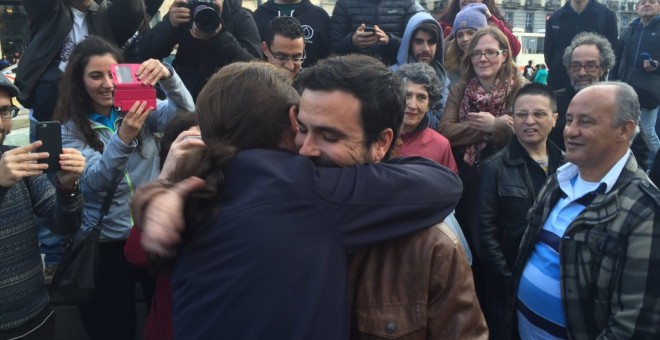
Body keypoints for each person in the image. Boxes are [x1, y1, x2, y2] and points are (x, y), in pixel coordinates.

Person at [133, 56, 462, 339]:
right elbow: (443, 184)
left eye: (328, 134)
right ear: (289, 124)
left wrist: (158, 191)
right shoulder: (300, 187)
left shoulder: (198, 185)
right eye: (304, 129)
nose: (306, 149)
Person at [53, 35, 194, 340]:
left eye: (112, 74)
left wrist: (169, 77)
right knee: (114, 328)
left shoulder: (138, 108)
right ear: (78, 81)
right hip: (106, 245)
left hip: (149, 232)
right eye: (95, 76)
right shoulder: (71, 131)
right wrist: (124, 137)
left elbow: (186, 114)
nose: (107, 83)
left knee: (163, 320)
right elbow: (94, 183)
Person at [510, 82, 660, 339]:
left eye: (586, 122)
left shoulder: (645, 209)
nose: (570, 131)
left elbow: (634, 326)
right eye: (569, 120)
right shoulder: (560, 178)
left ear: (625, 130)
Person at [14, 0, 145, 283]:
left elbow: (132, 11)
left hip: (88, 113)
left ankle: (78, 237)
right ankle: (54, 256)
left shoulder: (104, 16)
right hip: (48, 112)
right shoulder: (49, 11)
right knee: (47, 181)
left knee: (85, 176)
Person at [0, 73, 85, 339]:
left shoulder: (17, 161)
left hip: (35, 316)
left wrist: (67, 187)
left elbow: (64, 224)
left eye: (5, 111)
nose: (2, 123)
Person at [477, 83, 563, 339]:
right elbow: (484, 234)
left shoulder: (569, 167)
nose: (529, 121)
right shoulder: (493, 168)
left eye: (539, 114)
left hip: (561, 289)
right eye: (521, 114)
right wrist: (510, 281)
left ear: (554, 119)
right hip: (510, 291)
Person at [438, 26, 525, 252]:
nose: (482, 58)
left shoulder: (521, 88)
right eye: (476, 53)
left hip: (506, 178)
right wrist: (494, 126)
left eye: (490, 52)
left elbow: (524, 130)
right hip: (468, 177)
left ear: (504, 55)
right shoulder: (460, 89)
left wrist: (496, 124)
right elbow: (446, 130)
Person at [124, 112, 203, 340]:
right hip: (171, 323)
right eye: (189, 143)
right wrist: (166, 178)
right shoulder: (162, 196)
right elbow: (136, 254)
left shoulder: (225, 189)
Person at [550, 32, 649, 170]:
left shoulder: (620, 100)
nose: (582, 72)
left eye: (590, 66)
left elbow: (639, 152)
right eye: (576, 66)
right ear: (568, 69)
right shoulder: (551, 102)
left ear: (603, 68)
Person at [139, 0, 262, 99]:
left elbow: (255, 67)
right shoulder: (185, 14)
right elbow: (145, 51)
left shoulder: (240, 17)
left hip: (227, 100)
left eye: (211, 1)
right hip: (186, 98)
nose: (205, 6)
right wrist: (169, 24)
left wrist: (219, 36)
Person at [611, 0, 660, 168]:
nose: (647, 5)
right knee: (625, 129)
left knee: (647, 131)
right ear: (637, 8)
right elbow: (617, 59)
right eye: (643, 2)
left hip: (651, 89)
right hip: (627, 88)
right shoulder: (629, 30)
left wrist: (656, 65)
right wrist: (613, 80)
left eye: (652, 2)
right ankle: (632, 166)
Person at [396, 63, 457, 173]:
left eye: (421, 97)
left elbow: (450, 187)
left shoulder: (441, 145)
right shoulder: (379, 138)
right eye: (407, 95)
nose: (412, 105)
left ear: (429, 104)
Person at [544, 0, 618, 91]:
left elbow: (612, 51)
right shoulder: (555, 18)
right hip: (560, 84)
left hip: (594, 85)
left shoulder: (607, 16)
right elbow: (549, 53)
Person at [391, 11, 448, 128]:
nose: (426, 48)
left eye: (431, 42)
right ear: (408, 43)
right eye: (419, 41)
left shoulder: (445, 79)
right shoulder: (391, 76)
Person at [329, 0, 425, 65]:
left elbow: (418, 44)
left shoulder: (407, 3)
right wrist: (352, 41)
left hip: (395, 74)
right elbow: (332, 47)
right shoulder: (344, 3)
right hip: (353, 76)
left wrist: (390, 41)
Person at [252, 0, 330, 67]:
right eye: (281, 57)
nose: (290, 66)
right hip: (268, 81)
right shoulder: (259, 15)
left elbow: (327, 57)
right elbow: (254, 56)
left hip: (309, 82)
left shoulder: (320, 16)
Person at [435, 0, 520, 57]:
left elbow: (514, 49)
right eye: (460, 35)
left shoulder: (494, 22)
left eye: (471, 33)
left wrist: (490, 18)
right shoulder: (444, 26)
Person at [444, 3, 489, 85]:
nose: (464, 39)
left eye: (471, 33)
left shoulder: (494, 66)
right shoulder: (450, 70)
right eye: (459, 35)